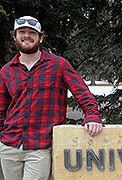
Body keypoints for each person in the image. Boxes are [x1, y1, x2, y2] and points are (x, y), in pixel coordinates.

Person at [0, 16, 103, 180]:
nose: (27, 36)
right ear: (14, 36)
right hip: (8, 146)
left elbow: (82, 92)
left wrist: (92, 115)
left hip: (40, 147)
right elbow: (1, 108)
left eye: (32, 32)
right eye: (22, 32)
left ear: (40, 37)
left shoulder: (59, 65)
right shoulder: (6, 71)